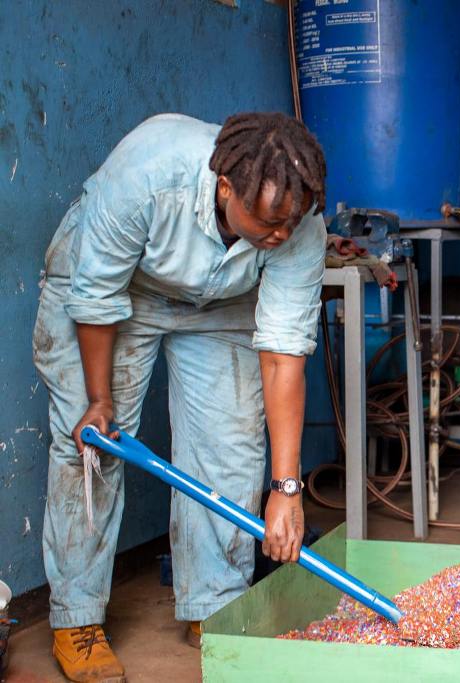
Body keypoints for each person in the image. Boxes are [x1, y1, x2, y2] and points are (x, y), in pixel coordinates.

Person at [32, 112, 328, 682]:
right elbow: (95, 295)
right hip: (117, 286)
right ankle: (76, 618)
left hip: (219, 300)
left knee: (232, 447)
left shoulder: (297, 218)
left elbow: (283, 354)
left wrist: (286, 489)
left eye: (292, 223)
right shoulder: (151, 172)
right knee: (92, 448)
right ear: (225, 189)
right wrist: (99, 401)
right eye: (269, 222)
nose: (282, 235)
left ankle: (215, 604)